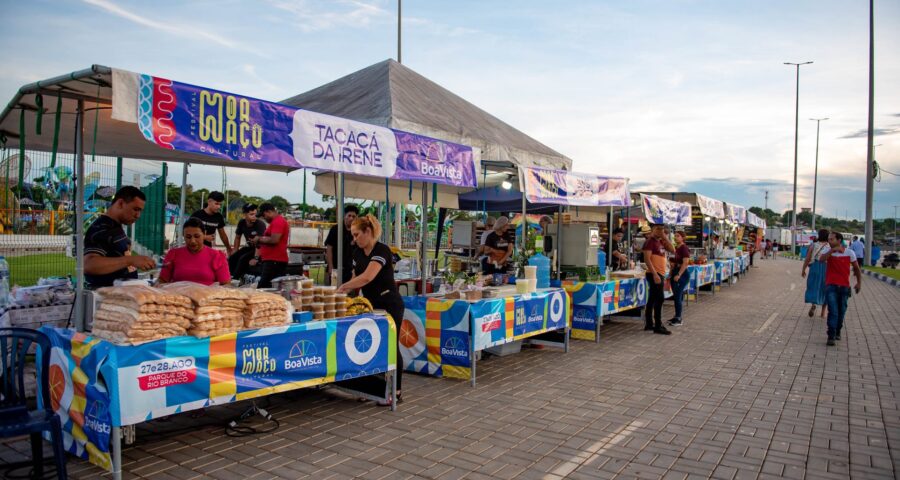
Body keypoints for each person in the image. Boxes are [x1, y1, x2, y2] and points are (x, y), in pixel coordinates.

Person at [338, 214, 404, 405]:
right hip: (369, 305)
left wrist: (343, 287)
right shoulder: (357, 253)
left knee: (391, 345)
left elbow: (367, 277)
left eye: (357, 234)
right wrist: (345, 298)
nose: (354, 239)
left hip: (389, 303)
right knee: (370, 345)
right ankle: (371, 388)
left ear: (368, 232)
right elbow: (355, 277)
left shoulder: (381, 250)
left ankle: (396, 390)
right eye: (352, 235)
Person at [84, 186, 156, 289]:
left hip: (121, 295)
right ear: (121, 203)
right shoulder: (101, 228)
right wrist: (130, 260)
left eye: (140, 211)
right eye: (136, 209)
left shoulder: (115, 226)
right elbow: (89, 265)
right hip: (106, 298)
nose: (138, 215)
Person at [819, 232, 862, 346]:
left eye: (832, 239)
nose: (829, 241)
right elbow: (821, 260)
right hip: (831, 286)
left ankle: (838, 330)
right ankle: (831, 335)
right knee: (833, 311)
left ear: (839, 240)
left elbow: (857, 269)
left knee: (841, 311)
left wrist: (859, 283)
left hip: (844, 287)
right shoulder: (827, 251)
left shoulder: (849, 252)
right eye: (829, 239)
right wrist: (832, 251)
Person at [158, 218, 231, 285]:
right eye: (188, 237)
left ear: (204, 234)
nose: (192, 241)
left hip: (207, 298)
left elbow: (226, 285)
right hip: (177, 298)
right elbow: (162, 282)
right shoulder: (173, 254)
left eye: (197, 236)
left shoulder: (217, 256)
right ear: (183, 236)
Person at [642, 224, 674, 335]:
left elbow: (673, 250)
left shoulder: (660, 241)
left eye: (662, 229)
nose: (660, 231)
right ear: (653, 230)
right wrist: (655, 274)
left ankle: (650, 324)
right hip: (654, 274)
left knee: (652, 299)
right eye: (658, 229)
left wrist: (665, 237)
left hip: (660, 273)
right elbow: (647, 259)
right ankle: (658, 325)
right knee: (659, 298)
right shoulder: (649, 242)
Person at [255, 203, 290, 288]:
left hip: (275, 261)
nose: (264, 218)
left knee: (262, 288)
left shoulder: (278, 221)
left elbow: (274, 240)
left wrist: (259, 239)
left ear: (269, 212)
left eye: (264, 215)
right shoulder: (275, 222)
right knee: (271, 288)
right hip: (272, 260)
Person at [228, 204, 267, 280]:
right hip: (250, 247)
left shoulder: (260, 224)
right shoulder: (242, 223)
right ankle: (228, 277)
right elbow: (237, 237)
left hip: (260, 249)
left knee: (243, 259)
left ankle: (235, 279)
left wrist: (256, 258)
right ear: (244, 215)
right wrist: (235, 250)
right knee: (232, 257)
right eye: (251, 214)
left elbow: (260, 243)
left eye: (255, 214)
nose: (254, 216)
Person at [325, 205, 359, 285]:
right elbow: (329, 248)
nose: (351, 218)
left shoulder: (357, 231)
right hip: (336, 267)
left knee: (348, 293)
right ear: (344, 216)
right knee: (334, 290)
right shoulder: (335, 229)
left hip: (350, 269)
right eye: (349, 215)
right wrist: (330, 266)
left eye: (353, 216)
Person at [802, 229, 830, 318]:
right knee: (825, 288)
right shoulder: (830, 246)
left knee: (813, 286)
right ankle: (823, 312)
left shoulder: (813, 245)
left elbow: (807, 258)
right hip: (826, 268)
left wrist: (803, 269)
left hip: (815, 267)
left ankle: (813, 304)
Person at [668, 231, 691, 327]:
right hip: (675, 271)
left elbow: (685, 263)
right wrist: (671, 272)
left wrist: (679, 274)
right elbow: (673, 262)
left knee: (677, 296)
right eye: (675, 236)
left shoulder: (684, 248)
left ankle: (678, 318)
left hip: (682, 274)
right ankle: (676, 315)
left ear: (683, 237)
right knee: (676, 295)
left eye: (678, 236)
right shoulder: (676, 248)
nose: (676, 237)